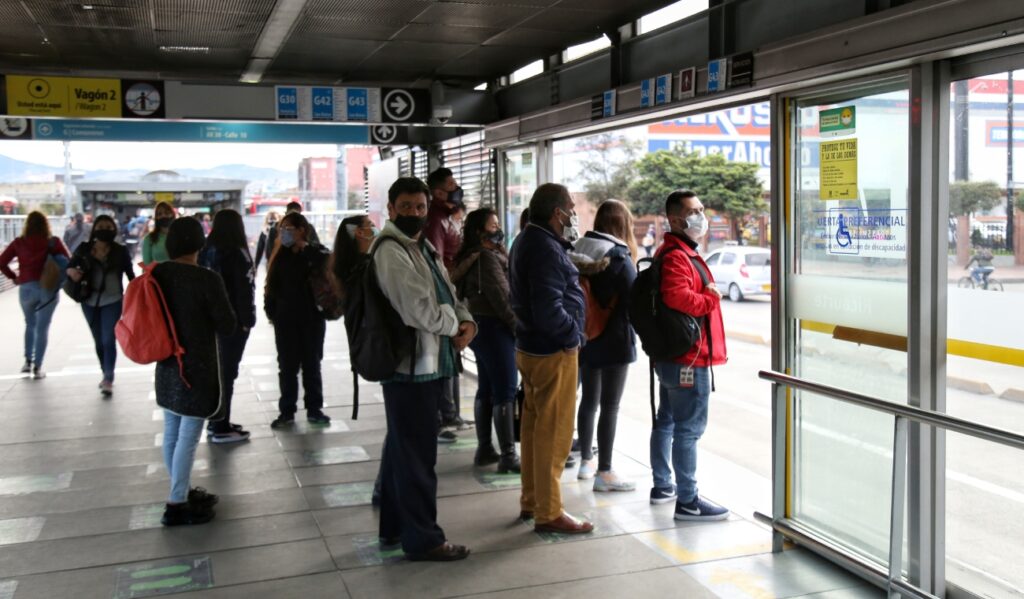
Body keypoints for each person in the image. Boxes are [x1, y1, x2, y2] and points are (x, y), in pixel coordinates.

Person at [374, 176, 475, 561]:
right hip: (409, 369)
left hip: (426, 365)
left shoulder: (421, 245)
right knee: (417, 458)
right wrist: (455, 325)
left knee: (404, 452)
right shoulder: (390, 250)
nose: (414, 213)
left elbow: (447, 289)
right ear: (391, 208)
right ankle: (424, 539)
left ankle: (395, 529)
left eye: (419, 207)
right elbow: (417, 309)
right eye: (406, 207)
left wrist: (467, 321)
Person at [509, 183, 592, 534]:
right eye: (571, 208)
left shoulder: (528, 239)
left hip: (530, 348)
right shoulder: (544, 247)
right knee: (554, 434)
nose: (574, 214)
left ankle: (532, 500)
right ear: (557, 213)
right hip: (552, 350)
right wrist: (572, 336)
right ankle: (549, 511)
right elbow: (549, 308)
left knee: (532, 429)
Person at [649, 189, 729, 521]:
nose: (701, 215)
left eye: (701, 208)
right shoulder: (677, 256)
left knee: (668, 421)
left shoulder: (676, 252)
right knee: (688, 429)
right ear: (675, 219)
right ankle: (689, 501)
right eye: (694, 211)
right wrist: (710, 297)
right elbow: (677, 298)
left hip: (676, 356)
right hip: (688, 358)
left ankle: (664, 485)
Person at [151, 217, 237, 526]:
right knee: (188, 436)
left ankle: (182, 490)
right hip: (197, 369)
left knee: (172, 432)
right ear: (199, 243)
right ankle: (176, 502)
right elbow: (226, 324)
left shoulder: (157, 274)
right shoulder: (206, 278)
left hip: (167, 364)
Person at [572, 199, 638, 491]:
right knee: (609, 406)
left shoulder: (578, 248)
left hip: (585, 336)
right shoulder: (620, 257)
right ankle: (605, 472)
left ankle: (586, 461)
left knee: (588, 400)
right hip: (614, 339)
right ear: (622, 224)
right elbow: (633, 300)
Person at [454, 208, 521, 474]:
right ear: (481, 232)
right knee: (505, 388)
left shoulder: (477, 256)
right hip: (494, 327)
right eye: (493, 225)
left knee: (488, 387)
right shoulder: (488, 259)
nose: (498, 228)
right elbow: (502, 299)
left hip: (481, 326)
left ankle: (485, 449)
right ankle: (508, 455)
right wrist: (518, 328)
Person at [265, 212, 331, 428]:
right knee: (287, 367)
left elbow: (327, 261)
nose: (283, 233)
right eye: (282, 229)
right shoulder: (279, 255)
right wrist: (271, 311)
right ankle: (287, 411)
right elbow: (271, 284)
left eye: (289, 229)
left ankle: (314, 408)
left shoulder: (314, 251)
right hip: (285, 319)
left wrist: (304, 247)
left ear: (302, 229)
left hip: (311, 318)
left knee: (312, 364)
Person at [199, 210, 256, 444]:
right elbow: (242, 290)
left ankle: (218, 421)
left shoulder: (207, 250)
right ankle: (220, 426)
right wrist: (245, 321)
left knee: (220, 373)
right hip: (232, 321)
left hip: (211, 321)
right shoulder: (236, 252)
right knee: (227, 374)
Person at [65, 215, 135, 396]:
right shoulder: (84, 249)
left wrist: (138, 294)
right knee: (98, 340)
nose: (105, 229)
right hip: (89, 300)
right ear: (94, 229)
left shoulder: (120, 251)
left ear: (114, 229)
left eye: (108, 226)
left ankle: (108, 377)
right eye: (101, 226)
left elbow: (130, 274)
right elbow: (70, 266)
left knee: (107, 339)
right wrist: (72, 272)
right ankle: (105, 370)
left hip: (113, 300)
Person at [424, 168, 470, 435]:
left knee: (453, 352)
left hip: (454, 292)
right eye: (451, 184)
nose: (457, 187)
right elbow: (437, 262)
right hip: (446, 294)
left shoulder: (448, 216)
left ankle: (449, 412)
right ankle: (445, 413)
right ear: (438, 192)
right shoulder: (435, 220)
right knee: (448, 351)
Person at [0, 211, 70, 379]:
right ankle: (37, 367)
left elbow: (1, 262)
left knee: (30, 324)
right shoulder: (53, 242)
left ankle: (27, 362)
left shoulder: (19, 242)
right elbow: (68, 263)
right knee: (42, 328)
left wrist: (14, 277)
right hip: (48, 288)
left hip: (26, 288)